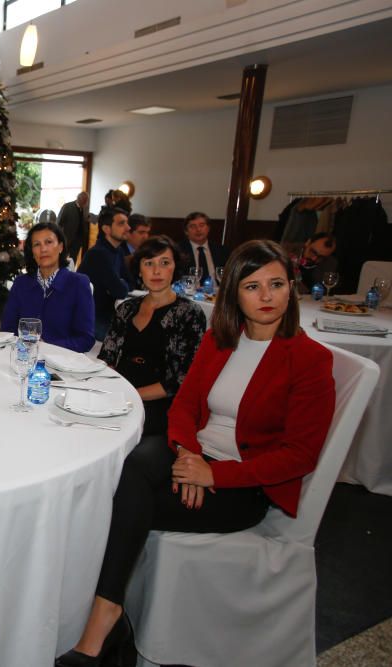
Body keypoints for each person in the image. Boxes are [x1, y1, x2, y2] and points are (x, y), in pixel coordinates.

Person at [56, 239, 335, 667]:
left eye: (276, 284)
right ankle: (111, 617)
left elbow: (300, 455)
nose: (265, 296)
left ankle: (98, 631)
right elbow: (185, 404)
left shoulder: (310, 360)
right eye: (252, 286)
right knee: (128, 469)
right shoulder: (223, 341)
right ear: (234, 293)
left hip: (245, 484)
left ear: (291, 289)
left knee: (121, 502)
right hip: (194, 455)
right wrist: (188, 456)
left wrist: (213, 476)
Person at [98, 236, 205, 436]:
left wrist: (130, 397)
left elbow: (181, 379)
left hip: (159, 404)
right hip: (118, 394)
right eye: (149, 263)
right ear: (139, 270)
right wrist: (105, 394)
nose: (156, 271)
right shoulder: (126, 308)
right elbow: (107, 359)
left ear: (175, 268)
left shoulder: (188, 312)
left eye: (164, 263)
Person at [1, 221, 94, 352]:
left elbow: (85, 339)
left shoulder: (78, 284)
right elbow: (7, 329)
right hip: (22, 357)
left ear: (61, 247)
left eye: (49, 242)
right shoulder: (21, 283)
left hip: (62, 363)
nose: (43, 249)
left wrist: (47, 347)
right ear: (32, 252)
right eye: (37, 244)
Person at [80, 206, 132, 341]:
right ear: (106, 229)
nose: (128, 228)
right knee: (126, 340)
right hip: (90, 318)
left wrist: (120, 284)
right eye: (122, 223)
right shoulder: (98, 254)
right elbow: (120, 290)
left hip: (109, 313)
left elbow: (131, 283)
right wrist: (119, 284)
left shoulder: (118, 251)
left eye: (127, 223)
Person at [179, 211, 229, 285]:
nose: (198, 229)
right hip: (189, 293)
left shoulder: (221, 250)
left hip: (217, 293)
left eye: (202, 225)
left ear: (208, 228)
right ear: (186, 231)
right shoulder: (179, 250)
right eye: (193, 226)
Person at [58, 192, 90, 266]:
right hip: (67, 238)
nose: (86, 203)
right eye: (84, 200)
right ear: (79, 199)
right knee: (62, 258)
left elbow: (85, 221)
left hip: (78, 240)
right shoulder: (67, 206)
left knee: (73, 259)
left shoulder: (85, 209)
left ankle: (71, 274)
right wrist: (60, 237)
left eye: (86, 201)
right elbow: (59, 223)